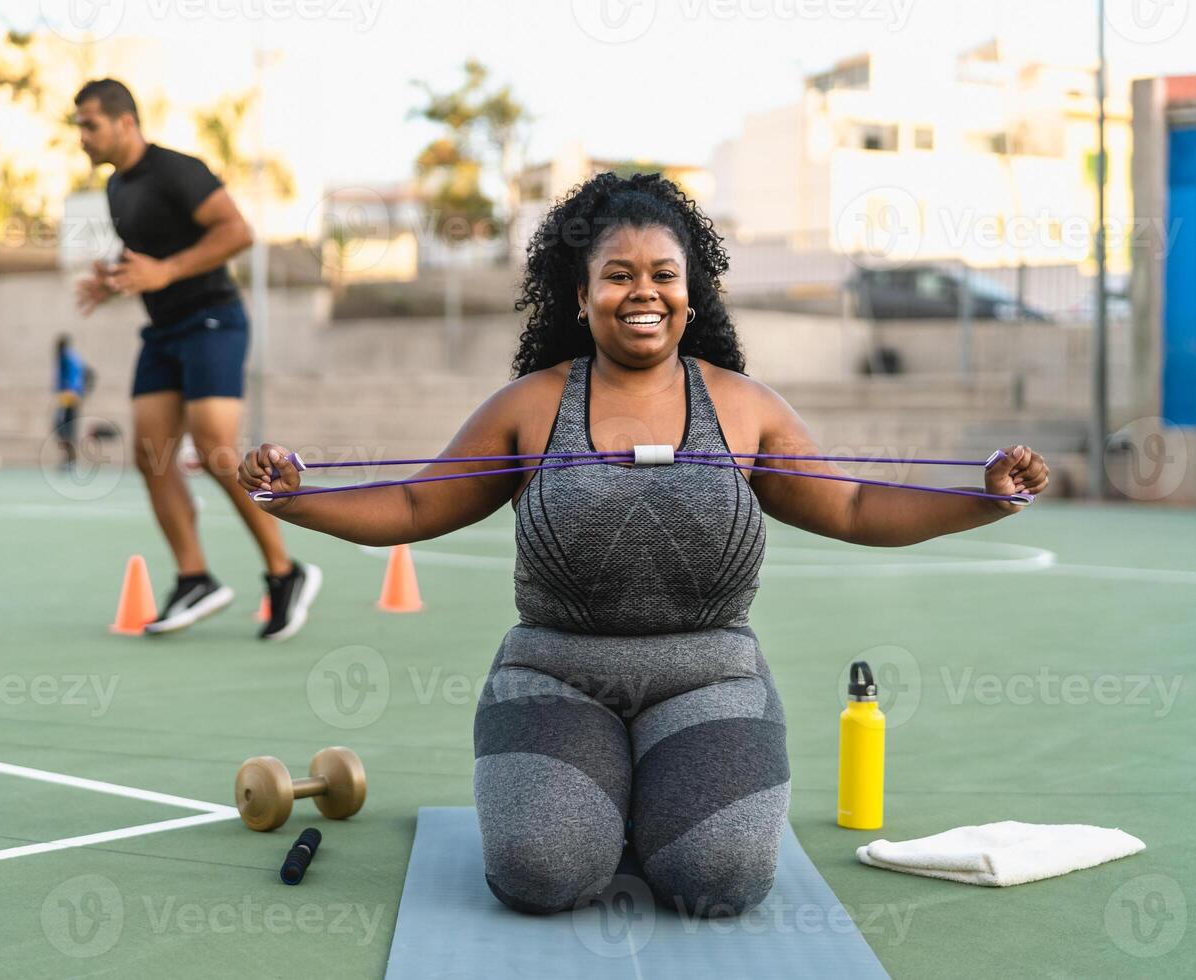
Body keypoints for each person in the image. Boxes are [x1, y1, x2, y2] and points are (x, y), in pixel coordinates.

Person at [238, 172, 1050, 916]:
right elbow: (417, 502)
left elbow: (856, 506)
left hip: (711, 673)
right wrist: (298, 498)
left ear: (691, 294)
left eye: (663, 273)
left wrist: (983, 496)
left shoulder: (742, 407)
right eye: (618, 274)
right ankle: (599, 801)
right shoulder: (531, 405)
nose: (643, 292)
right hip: (556, 671)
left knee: (721, 879)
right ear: (582, 294)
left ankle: (640, 798)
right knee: (544, 873)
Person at [71, 77, 320, 641]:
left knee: (214, 447)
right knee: (150, 454)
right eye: (78, 126)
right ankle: (194, 577)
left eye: (90, 124)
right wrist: (113, 280)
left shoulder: (178, 170)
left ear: (125, 122)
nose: (82, 136)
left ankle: (285, 572)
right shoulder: (116, 189)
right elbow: (149, 255)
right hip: (162, 331)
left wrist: (165, 272)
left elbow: (237, 232)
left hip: (212, 318)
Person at [54, 333, 89, 472]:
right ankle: (69, 459)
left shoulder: (67, 356)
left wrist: (73, 392)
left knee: (65, 428)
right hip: (67, 397)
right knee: (64, 429)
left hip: (69, 398)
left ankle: (71, 460)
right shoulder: (68, 356)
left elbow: (74, 376)